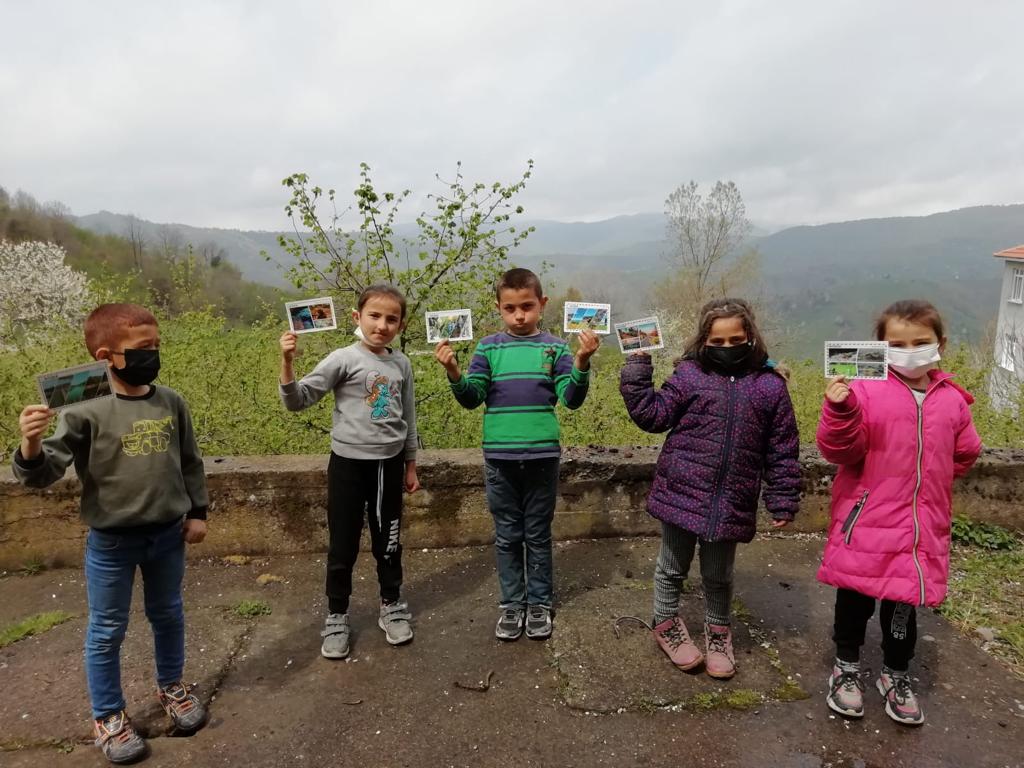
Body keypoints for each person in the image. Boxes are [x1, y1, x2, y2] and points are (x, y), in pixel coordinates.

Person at [14, 303, 209, 765]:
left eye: (156, 345)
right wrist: (31, 443)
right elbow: (42, 475)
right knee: (106, 630)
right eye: (142, 348)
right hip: (111, 542)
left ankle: (172, 687)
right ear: (107, 355)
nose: (153, 354)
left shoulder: (171, 402)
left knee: (168, 614)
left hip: (167, 535)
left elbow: (190, 462)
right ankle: (108, 715)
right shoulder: (83, 410)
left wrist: (197, 511)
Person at [817, 299, 981, 725]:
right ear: (880, 347)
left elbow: (964, 453)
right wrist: (839, 411)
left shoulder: (953, 401)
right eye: (897, 344)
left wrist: (926, 489)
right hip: (867, 521)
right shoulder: (863, 392)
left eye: (920, 342)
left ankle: (895, 673)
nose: (909, 351)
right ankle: (846, 667)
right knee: (854, 598)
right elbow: (839, 450)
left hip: (919, 527)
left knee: (904, 604)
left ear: (940, 343)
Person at [620, 298, 800, 679]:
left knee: (719, 574)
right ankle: (664, 622)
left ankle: (718, 633)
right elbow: (652, 415)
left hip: (733, 498)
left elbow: (782, 448)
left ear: (750, 337)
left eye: (736, 339)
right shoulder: (689, 377)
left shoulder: (770, 388)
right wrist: (637, 364)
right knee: (672, 568)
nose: (727, 347)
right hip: (681, 490)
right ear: (704, 340)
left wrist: (782, 499)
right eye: (718, 341)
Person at [435, 268, 598, 640]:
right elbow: (472, 398)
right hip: (499, 460)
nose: (519, 315)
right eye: (510, 309)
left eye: (527, 306)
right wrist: (454, 372)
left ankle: (539, 603)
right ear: (499, 308)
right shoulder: (488, 348)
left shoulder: (555, 347)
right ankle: (512, 606)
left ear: (542, 304)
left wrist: (582, 363)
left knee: (538, 534)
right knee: (507, 536)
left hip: (542, 458)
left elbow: (571, 400)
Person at [279, 284, 420, 660]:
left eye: (392, 319)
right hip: (347, 465)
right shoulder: (342, 358)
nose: (382, 325)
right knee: (342, 546)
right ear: (358, 317)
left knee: (388, 543)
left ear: (401, 324)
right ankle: (337, 615)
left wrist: (410, 464)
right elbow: (299, 400)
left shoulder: (401, 364)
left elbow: (409, 417)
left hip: (388, 467)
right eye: (375, 316)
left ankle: (391, 605)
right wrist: (288, 363)